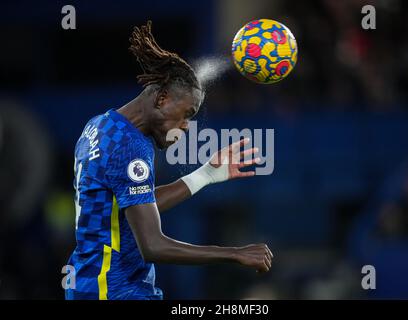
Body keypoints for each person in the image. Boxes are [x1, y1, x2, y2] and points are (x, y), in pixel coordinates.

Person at [65, 21, 273, 300]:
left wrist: (206, 175)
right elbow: (153, 245)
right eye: (187, 113)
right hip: (114, 291)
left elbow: (131, 207)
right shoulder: (130, 148)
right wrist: (235, 253)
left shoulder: (100, 126)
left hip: (91, 284)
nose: (186, 126)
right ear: (162, 99)